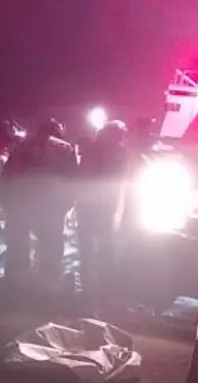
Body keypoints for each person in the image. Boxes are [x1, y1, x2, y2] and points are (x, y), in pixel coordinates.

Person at [0, 116, 79, 293]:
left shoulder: (21, 147)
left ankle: (15, 285)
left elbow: (7, 176)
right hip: (51, 205)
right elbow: (73, 180)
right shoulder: (65, 148)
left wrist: (7, 203)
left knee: (18, 243)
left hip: (20, 203)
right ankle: (46, 285)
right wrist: (66, 205)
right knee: (50, 244)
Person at [75, 119, 129, 310]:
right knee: (100, 246)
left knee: (91, 246)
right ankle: (100, 284)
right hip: (100, 206)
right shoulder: (115, 152)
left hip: (93, 206)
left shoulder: (96, 149)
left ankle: (93, 283)